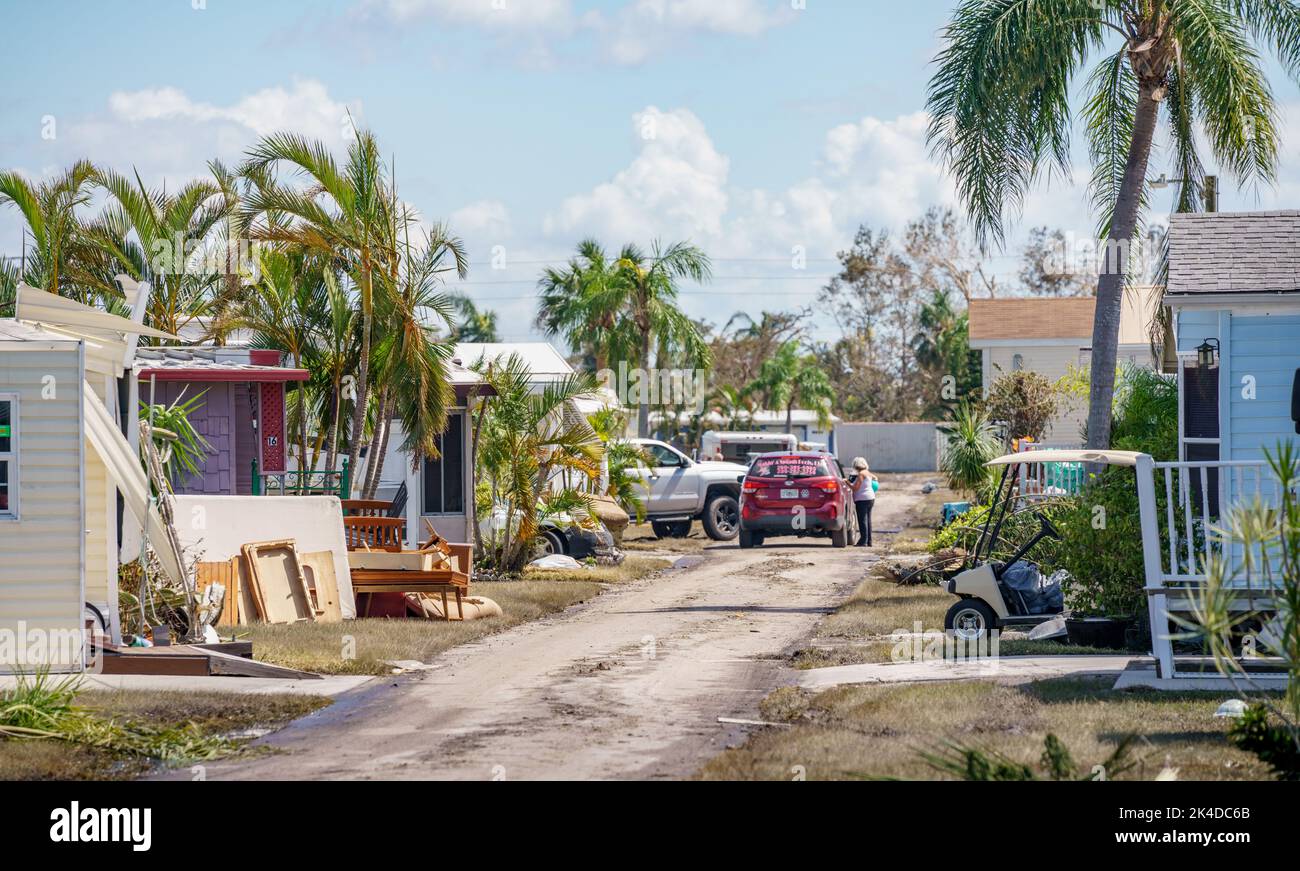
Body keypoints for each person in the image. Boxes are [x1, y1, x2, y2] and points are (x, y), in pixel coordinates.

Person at [850, 457, 877, 547]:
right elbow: (875, 478)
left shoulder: (861, 474)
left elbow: (855, 488)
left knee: (862, 521)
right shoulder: (867, 473)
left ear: (856, 465)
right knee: (868, 520)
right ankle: (869, 541)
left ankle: (863, 541)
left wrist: (846, 482)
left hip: (862, 499)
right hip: (870, 498)